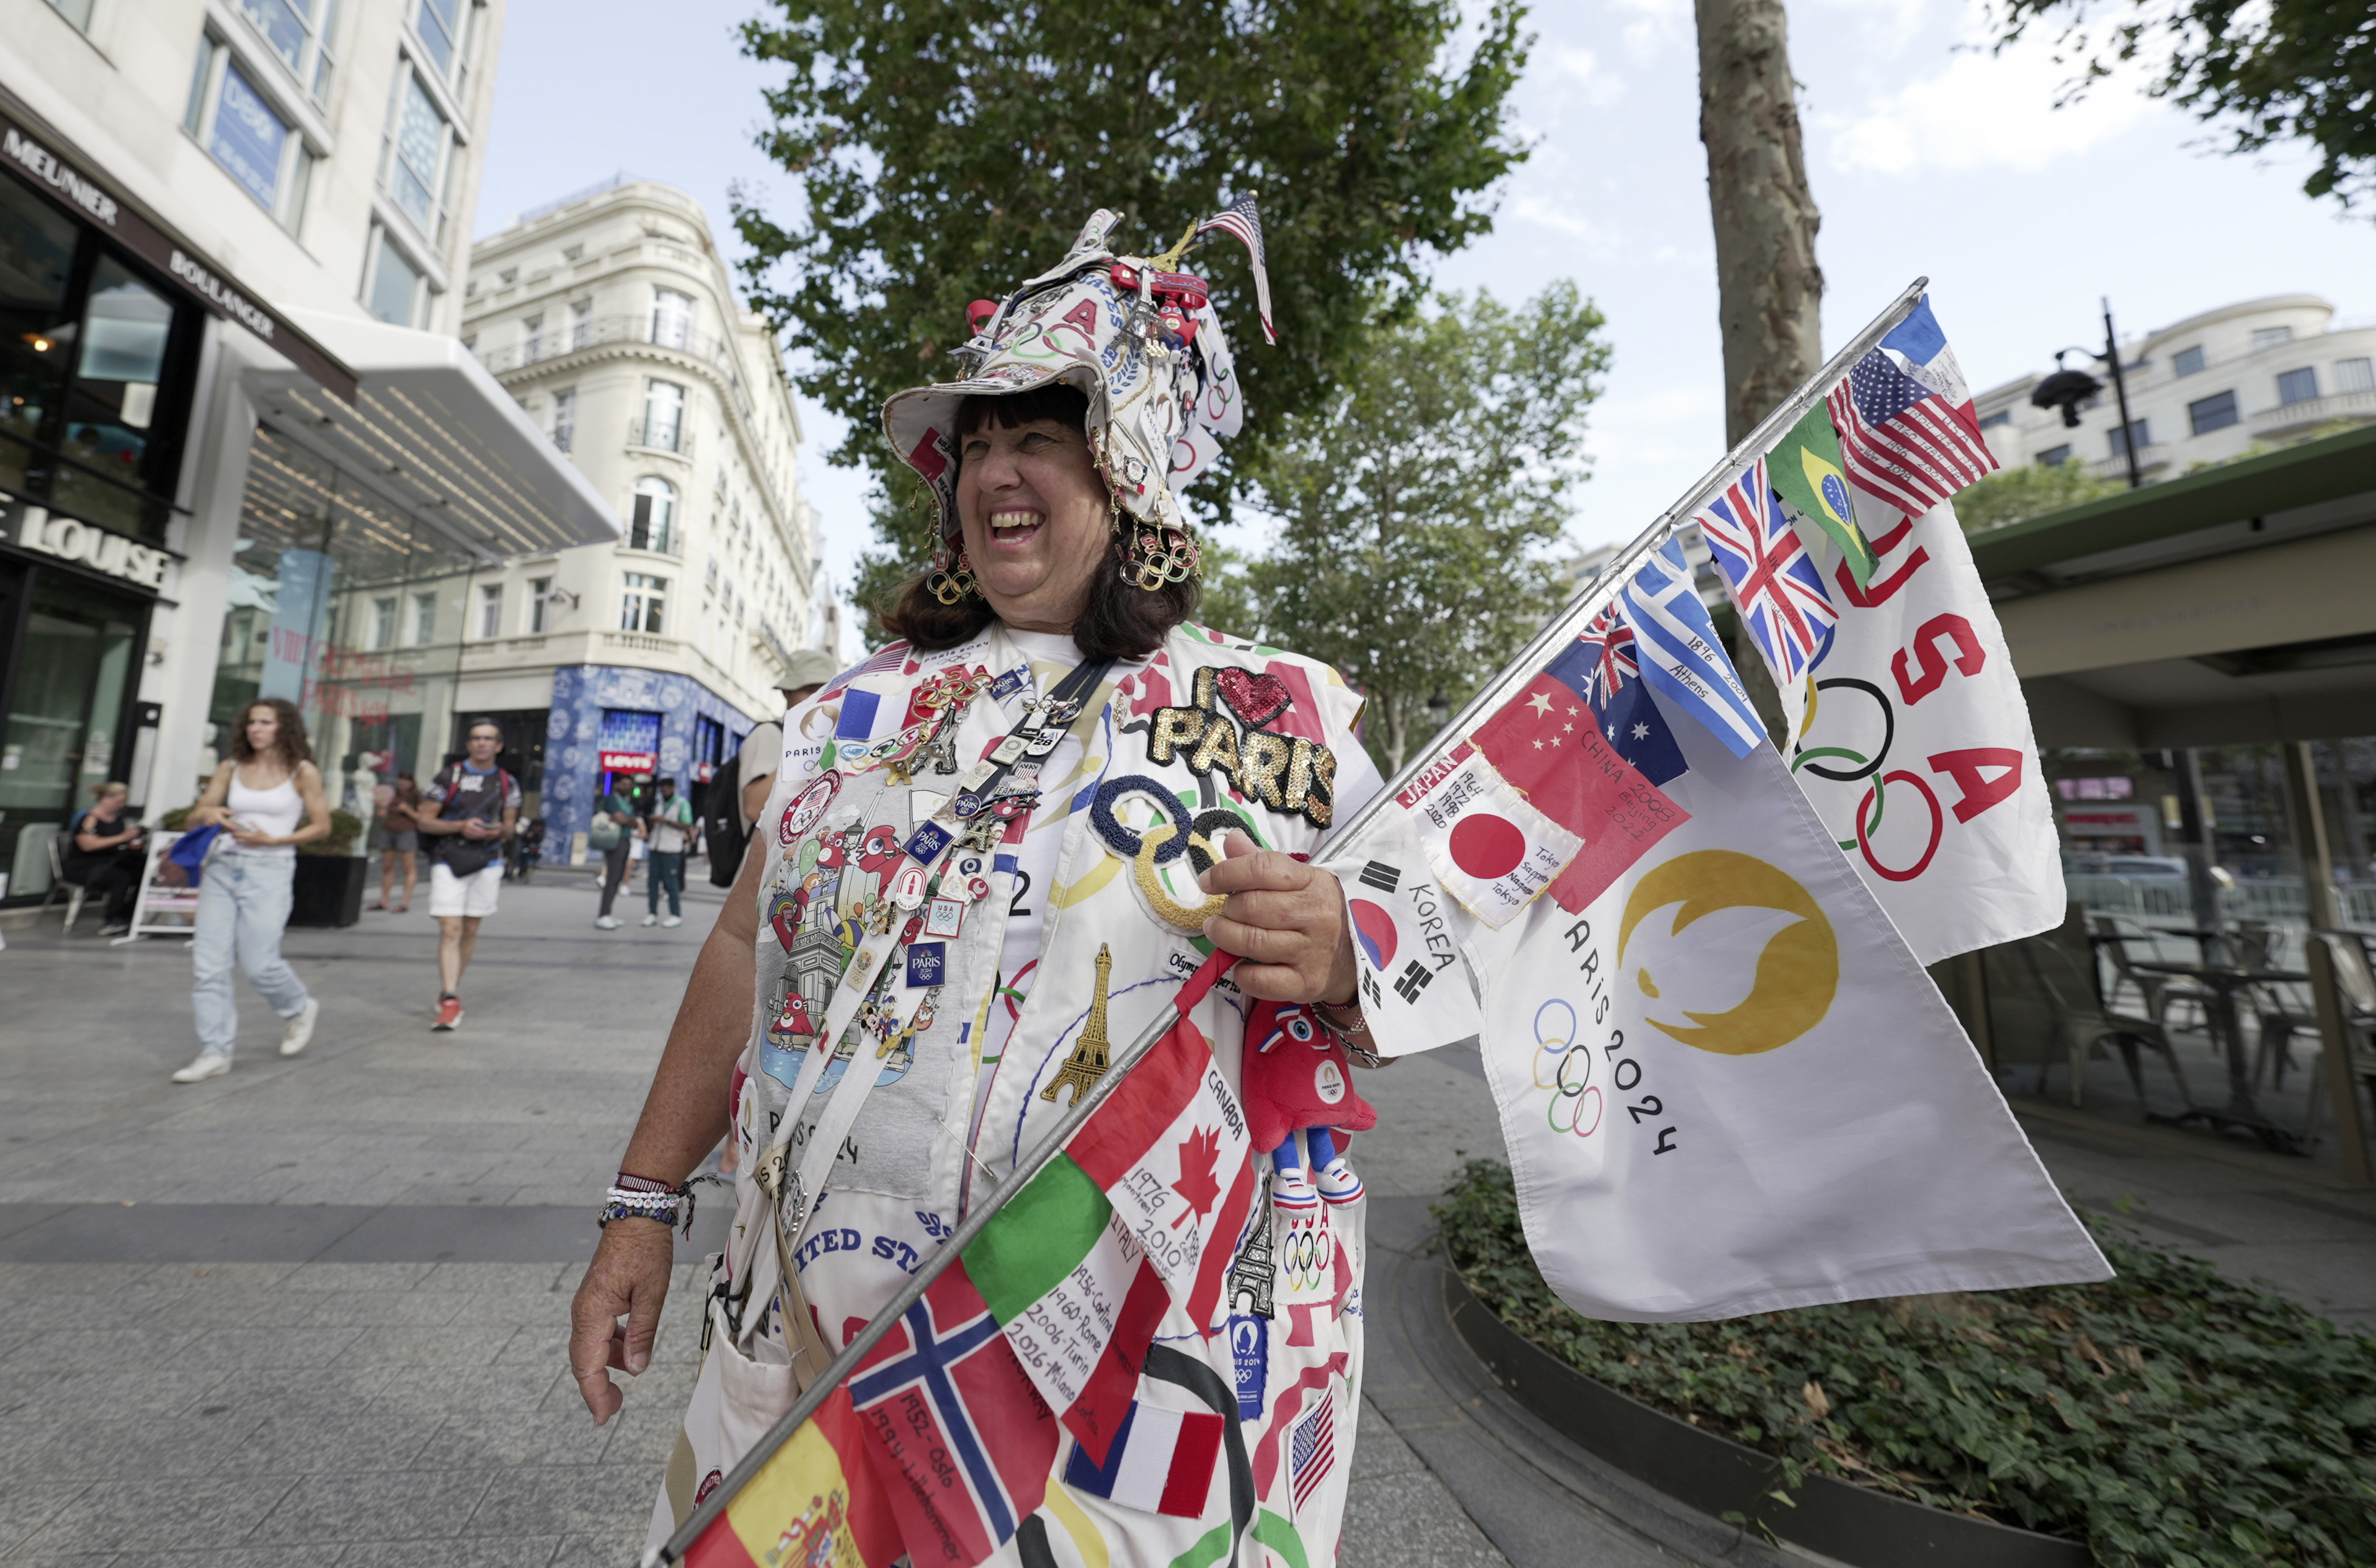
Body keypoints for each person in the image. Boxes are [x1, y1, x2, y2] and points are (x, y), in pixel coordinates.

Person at [571, 214, 1389, 1566]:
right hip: (826, 1328)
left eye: (1041, 438)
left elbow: (1417, 954)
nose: (997, 473)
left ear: (1129, 474)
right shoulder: (847, 715)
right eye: (978, 445)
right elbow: (738, 948)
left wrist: (1344, 950)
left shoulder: (1279, 715)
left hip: (1127, 1360)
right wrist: (643, 1203)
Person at [171, 698, 329, 1082]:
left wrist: (275, 841)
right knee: (209, 965)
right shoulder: (230, 767)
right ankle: (215, 1051)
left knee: (261, 964)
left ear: (283, 728)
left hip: (270, 869)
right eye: (251, 722)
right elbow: (197, 813)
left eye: (266, 722)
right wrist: (207, 813)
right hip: (224, 867)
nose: (256, 729)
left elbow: (322, 825)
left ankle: (298, 1007)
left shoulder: (302, 772)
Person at [416, 718, 521, 1031]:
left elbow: (511, 825)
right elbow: (424, 821)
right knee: (451, 928)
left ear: (498, 745)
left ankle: (450, 991)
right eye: (476, 738)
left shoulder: (507, 782)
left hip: (487, 861)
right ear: (469, 744)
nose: (482, 743)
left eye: (488, 739)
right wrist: (459, 826)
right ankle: (450, 998)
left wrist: (501, 831)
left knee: (471, 929)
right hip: (448, 859)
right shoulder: (450, 776)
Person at [737, 649, 842, 834]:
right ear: (787, 692)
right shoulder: (769, 733)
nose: (818, 697)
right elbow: (753, 808)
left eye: (827, 690)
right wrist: (809, 749)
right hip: (765, 860)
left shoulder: (830, 738)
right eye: (810, 690)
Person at [63, 781, 146, 935]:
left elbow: (118, 842)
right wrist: (122, 838)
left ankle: (127, 915)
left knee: (143, 873)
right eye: (118, 802)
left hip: (108, 863)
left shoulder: (117, 819)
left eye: (123, 802)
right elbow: (87, 845)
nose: (120, 805)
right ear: (106, 798)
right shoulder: (89, 818)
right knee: (121, 877)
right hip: (84, 867)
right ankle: (112, 919)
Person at [641, 777, 693, 928]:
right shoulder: (658, 803)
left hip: (671, 849)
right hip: (656, 847)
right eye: (662, 788)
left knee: (671, 883)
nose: (665, 791)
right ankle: (652, 913)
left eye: (667, 788)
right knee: (652, 883)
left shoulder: (681, 803)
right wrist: (652, 820)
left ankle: (675, 914)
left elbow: (687, 825)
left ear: (673, 788)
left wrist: (666, 821)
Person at [592, 779, 641, 931]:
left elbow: (633, 822)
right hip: (615, 840)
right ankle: (603, 915)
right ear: (616, 784)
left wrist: (629, 821)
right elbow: (624, 820)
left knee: (618, 877)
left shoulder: (627, 802)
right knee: (612, 877)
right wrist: (629, 821)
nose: (626, 787)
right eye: (623, 784)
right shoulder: (611, 800)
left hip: (625, 840)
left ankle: (608, 913)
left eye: (629, 785)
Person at [370, 772, 422, 912]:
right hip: (388, 831)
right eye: (401, 780)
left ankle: (405, 902)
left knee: (408, 868)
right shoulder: (392, 794)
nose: (403, 783)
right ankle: (384, 900)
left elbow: (421, 818)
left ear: (412, 782)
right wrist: (380, 806)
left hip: (407, 832)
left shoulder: (417, 797)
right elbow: (381, 815)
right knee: (387, 866)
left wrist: (407, 810)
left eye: (406, 781)